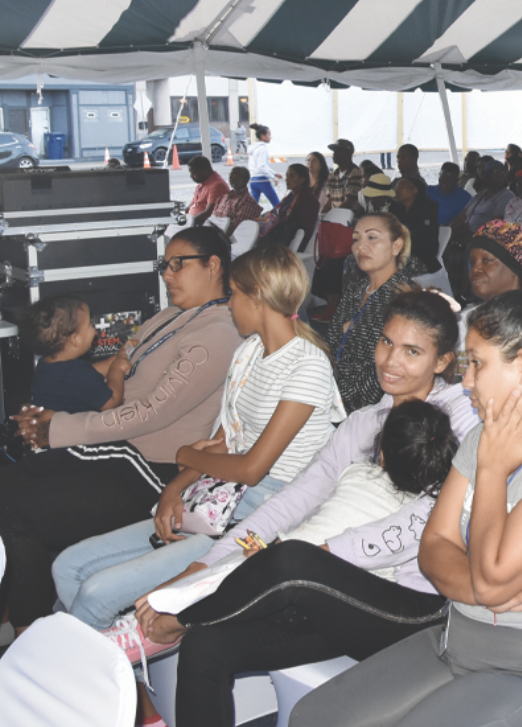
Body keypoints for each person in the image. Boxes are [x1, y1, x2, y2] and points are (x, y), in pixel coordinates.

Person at [122, 292, 477, 727]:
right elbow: (293, 501)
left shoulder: (463, 418)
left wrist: (320, 558)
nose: (390, 361)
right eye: (386, 342)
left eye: (412, 351)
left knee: (289, 558)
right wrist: (205, 562)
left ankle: (183, 613)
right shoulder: (362, 423)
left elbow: (430, 519)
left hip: (411, 607)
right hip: (329, 593)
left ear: (442, 361)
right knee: (207, 646)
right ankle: (195, 600)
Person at [289, 290, 522, 727]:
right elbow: (434, 547)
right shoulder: (481, 438)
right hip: (461, 641)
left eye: (476, 363)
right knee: (316, 718)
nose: (466, 381)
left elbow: (492, 578)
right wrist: (481, 590)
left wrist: (491, 473)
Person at [54, 244, 345, 638]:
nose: (229, 306)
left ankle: (100, 682)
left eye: (235, 296)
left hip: (265, 511)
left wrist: (185, 454)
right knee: (67, 566)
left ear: (257, 298)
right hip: (221, 494)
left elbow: (253, 467)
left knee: (97, 592)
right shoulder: (250, 352)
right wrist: (176, 486)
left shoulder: (307, 364)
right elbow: (226, 438)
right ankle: (111, 666)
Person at [0, 228, 242, 634]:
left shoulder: (218, 331)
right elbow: (119, 365)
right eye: (164, 265)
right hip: (115, 452)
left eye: (177, 264)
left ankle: (31, 631)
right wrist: (46, 407)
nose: (166, 274)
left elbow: (149, 414)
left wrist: (60, 426)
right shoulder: (173, 315)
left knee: (15, 512)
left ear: (213, 265)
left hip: (145, 469)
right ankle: (22, 604)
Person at [329, 213, 418, 413]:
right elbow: (331, 340)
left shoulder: (404, 298)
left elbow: (383, 375)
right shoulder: (357, 289)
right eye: (356, 239)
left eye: (372, 237)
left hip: (367, 408)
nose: (360, 246)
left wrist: (336, 398)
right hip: (333, 392)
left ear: (396, 246)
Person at [19, 295, 126, 413]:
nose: (94, 329)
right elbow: (111, 403)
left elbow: (89, 372)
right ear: (75, 339)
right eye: (90, 324)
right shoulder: (79, 374)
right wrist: (117, 370)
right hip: (77, 429)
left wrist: (117, 358)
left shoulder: (45, 366)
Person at [258, 163, 320, 252]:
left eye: (292, 176)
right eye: (287, 176)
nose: (287, 179)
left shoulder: (307, 199)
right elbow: (275, 213)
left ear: (302, 180)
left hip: (292, 241)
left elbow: (304, 229)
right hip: (282, 237)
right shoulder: (291, 197)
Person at [390, 177, 441, 276]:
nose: (396, 190)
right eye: (396, 188)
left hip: (421, 257)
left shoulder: (428, 208)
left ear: (414, 190)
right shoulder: (396, 208)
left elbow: (421, 237)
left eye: (401, 188)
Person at [462, 160, 518, 236]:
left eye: (502, 172)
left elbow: (498, 225)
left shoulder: (507, 196)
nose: (500, 174)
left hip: (484, 239)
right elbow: (462, 216)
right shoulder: (480, 196)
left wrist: (471, 238)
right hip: (467, 234)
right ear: (486, 175)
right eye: (495, 171)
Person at [325, 139, 366, 216]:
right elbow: (329, 201)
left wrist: (332, 215)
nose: (334, 154)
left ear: (349, 154)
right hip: (336, 216)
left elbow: (349, 201)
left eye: (338, 151)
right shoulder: (333, 175)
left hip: (352, 217)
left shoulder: (356, 173)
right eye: (334, 151)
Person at [246, 123, 282, 209]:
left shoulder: (253, 149)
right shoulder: (263, 149)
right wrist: (272, 177)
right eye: (269, 134)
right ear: (262, 136)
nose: (270, 137)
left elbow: (260, 166)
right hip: (262, 180)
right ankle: (282, 220)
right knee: (277, 204)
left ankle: (249, 221)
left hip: (253, 180)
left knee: (252, 207)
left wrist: (274, 173)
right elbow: (262, 167)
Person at [185, 156, 230, 225]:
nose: (191, 176)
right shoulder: (202, 183)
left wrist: (191, 221)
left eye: (194, 173)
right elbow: (192, 204)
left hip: (203, 225)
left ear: (204, 171)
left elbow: (208, 213)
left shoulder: (217, 186)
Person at [429, 161, 472, 227]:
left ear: (457, 180)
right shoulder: (428, 191)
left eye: (449, 180)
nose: (444, 183)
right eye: (442, 179)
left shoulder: (465, 198)